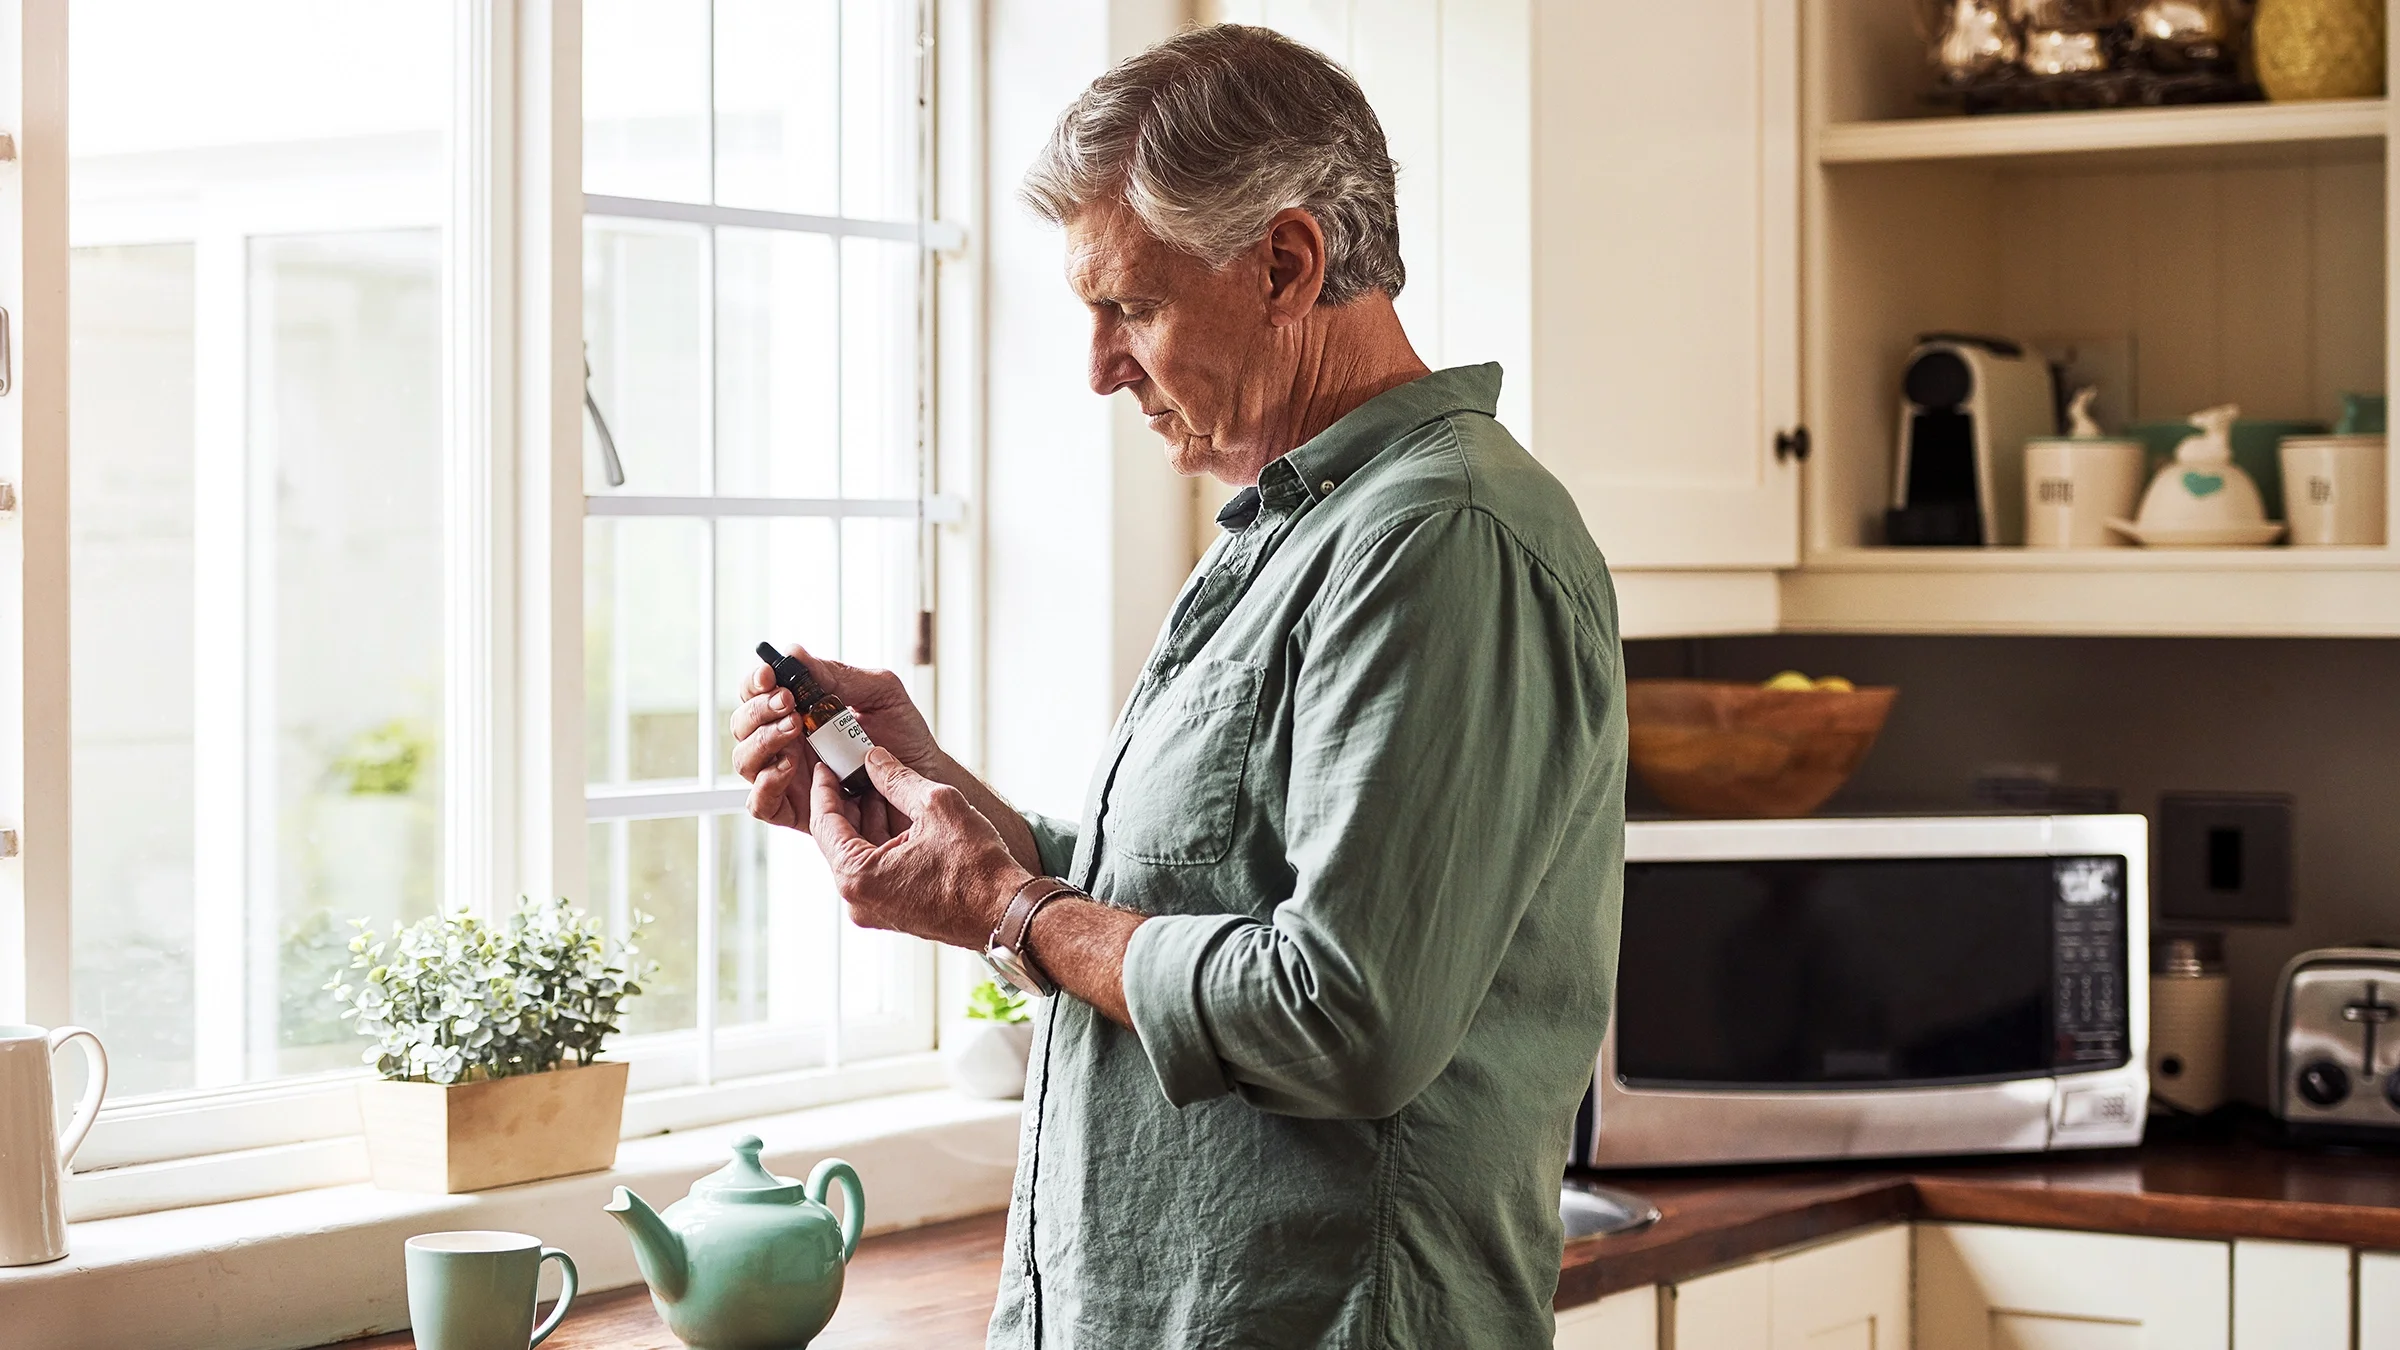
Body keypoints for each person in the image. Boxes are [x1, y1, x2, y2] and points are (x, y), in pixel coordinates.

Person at [729, 23, 1625, 1349]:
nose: (1099, 367)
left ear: (1287, 261)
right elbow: (1170, 906)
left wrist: (1007, 905)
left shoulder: (1443, 540)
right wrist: (935, 789)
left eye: (1131, 307)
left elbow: (1343, 1012)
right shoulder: (1298, 529)